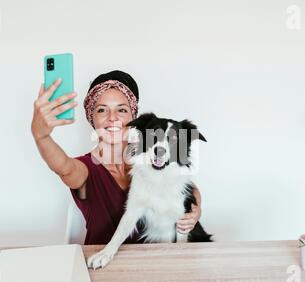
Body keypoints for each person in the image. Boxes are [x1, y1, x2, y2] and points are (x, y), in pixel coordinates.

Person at [31, 70, 203, 245]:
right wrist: (41, 136)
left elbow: (185, 184)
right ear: (92, 118)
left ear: (133, 116)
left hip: (153, 263)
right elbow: (64, 167)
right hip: (102, 266)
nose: (112, 118)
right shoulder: (85, 170)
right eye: (101, 110)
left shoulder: (149, 159)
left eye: (121, 110)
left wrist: (195, 210)